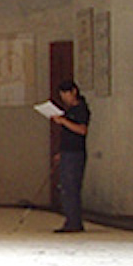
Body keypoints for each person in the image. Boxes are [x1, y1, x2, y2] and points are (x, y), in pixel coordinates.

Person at [50, 79, 90, 233]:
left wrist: (63, 121)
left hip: (76, 153)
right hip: (67, 152)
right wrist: (61, 152)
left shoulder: (81, 109)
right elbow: (67, 135)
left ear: (74, 92)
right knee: (65, 187)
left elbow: (82, 130)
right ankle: (70, 219)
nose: (64, 98)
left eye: (66, 94)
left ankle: (74, 222)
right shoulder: (69, 110)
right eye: (62, 96)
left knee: (72, 187)